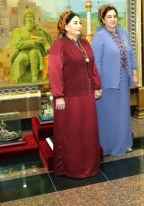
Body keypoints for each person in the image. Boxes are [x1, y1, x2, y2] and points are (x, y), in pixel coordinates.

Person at [48, 11, 102, 178]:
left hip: (87, 98)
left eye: (80, 22)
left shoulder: (85, 43)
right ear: (65, 27)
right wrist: (59, 95)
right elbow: (54, 71)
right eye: (75, 23)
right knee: (72, 134)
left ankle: (90, 166)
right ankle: (72, 168)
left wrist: (97, 86)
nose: (79, 26)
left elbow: (92, 66)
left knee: (87, 132)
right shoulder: (59, 45)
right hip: (69, 99)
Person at [92, 4, 138, 157]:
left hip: (124, 81)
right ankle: (107, 146)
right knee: (108, 115)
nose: (113, 20)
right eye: (109, 17)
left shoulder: (124, 34)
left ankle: (125, 143)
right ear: (103, 20)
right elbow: (96, 63)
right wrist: (96, 84)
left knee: (123, 113)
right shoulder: (100, 37)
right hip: (106, 83)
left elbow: (131, 55)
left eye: (115, 16)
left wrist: (135, 73)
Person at [10, 9, 52, 83]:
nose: (29, 19)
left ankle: (35, 78)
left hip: (37, 53)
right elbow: (19, 44)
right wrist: (34, 42)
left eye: (31, 17)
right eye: (27, 17)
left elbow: (45, 42)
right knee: (20, 60)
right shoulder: (18, 31)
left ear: (33, 19)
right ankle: (15, 80)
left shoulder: (39, 32)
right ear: (24, 20)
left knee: (34, 53)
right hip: (23, 52)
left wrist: (48, 48)